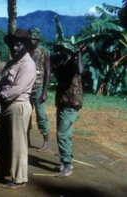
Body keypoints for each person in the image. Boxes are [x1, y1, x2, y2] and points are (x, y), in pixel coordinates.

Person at [0, 29, 36, 189]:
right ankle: (2, 171)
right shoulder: (11, 62)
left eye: (18, 44)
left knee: (17, 143)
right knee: (2, 141)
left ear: (25, 45)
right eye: (13, 44)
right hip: (7, 106)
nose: (15, 47)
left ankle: (19, 178)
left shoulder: (28, 64)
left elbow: (17, 89)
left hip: (18, 106)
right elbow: (1, 84)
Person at [52, 40, 84, 177]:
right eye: (58, 50)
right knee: (66, 134)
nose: (60, 53)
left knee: (62, 134)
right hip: (62, 102)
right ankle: (66, 160)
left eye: (63, 50)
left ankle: (67, 164)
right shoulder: (60, 63)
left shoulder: (73, 63)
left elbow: (80, 70)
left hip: (71, 103)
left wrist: (79, 55)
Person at [27, 28, 51, 152]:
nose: (32, 40)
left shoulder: (43, 51)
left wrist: (45, 91)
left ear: (38, 39)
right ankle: (26, 140)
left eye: (34, 38)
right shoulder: (25, 51)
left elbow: (48, 71)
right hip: (26, 89)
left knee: (41, 115)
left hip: (39, 88)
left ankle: (46, 142)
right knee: (26, 115)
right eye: (30, 37)